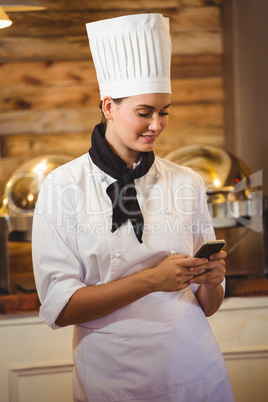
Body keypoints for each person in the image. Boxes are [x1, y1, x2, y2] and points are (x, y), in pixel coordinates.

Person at [32, 13, 235, 402]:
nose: (157, 125)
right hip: (113, 373)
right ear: (108, 106)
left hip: (195, 366)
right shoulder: (62, 186)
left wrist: (210, 280)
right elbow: (60, 307)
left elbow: (207, 306)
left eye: (165, 111)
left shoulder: (187, 182)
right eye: (144, 112)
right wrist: (152, 280)